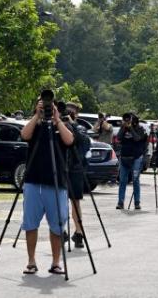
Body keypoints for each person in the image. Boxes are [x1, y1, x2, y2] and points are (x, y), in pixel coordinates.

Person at [20, 90, 74, 275]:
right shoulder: (35, 125)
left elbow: (70, 140)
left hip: (56, 182)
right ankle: (31, 261)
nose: (46, 108)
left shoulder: (61, 125)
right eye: (42, 105)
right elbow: (24, 135)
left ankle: (56, 262)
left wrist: (57, 120)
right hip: (33, 181)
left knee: (57, 224)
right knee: (30, 223)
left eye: (48, 105)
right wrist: (37, 116)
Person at [65, 102, 91, 249]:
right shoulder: (57, 125)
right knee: (59, 200)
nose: (68, 113)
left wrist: (72, 125)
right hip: (60, 167)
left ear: (76, 114)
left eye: (72, 112)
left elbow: (85, 143)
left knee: (75, 201)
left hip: (75, 168)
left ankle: (79, 232)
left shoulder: (80, 127)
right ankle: (60, 230)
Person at [116, 113, 146, 210]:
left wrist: (131, 129)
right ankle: (120, 202)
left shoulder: (140, 129)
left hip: (136, 157)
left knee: (135, 180)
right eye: (126, 120)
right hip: (124, 157)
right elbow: (119, 138)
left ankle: (137, 202)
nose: (128, 121)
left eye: (129, 120)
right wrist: (123, 127)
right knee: (122, 181)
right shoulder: (124, 128)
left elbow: (137, 138)